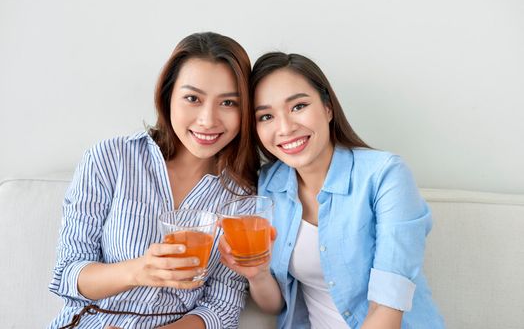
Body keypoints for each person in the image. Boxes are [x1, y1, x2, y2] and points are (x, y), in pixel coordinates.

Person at [48, 32, 259, 329]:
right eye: (192, 98)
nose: (208, 120)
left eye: (228, 103)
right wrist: (139, 271)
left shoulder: (243, 195)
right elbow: (68, 274)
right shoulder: (111, 159)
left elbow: (223, 305)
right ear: (167, 96)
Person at [219, 52, 445, 328]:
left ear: (327, 108)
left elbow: (388, 310)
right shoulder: (270, 185)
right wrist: (257, 274)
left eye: (298, 106)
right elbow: (276, 304)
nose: (285, 128)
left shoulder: (386, 175)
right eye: (266, 116)